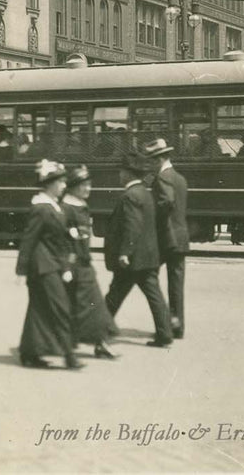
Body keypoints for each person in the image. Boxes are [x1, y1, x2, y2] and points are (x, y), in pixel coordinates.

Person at [16, 160, 81, 369]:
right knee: (60, 307)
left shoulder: (54, 205)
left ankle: (29, 353)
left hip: (52, 264)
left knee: (39, 308)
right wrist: (21, 270)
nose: (64, 185)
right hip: (43, 266)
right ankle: (69, 355)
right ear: (50, 184)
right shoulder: (42, 208)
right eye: (61, 182)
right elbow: (29, 239)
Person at [104, 152, 172, 347]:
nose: (119, 174)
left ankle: (96, 330)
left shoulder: (130, 195)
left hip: (133, 258)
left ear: (128, 173)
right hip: (148, 255)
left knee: (114, 295)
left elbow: (132, 226)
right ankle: (165, 333)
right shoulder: (145, 193)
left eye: (121, 171)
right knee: (154, 295)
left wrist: (125, 252)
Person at [61, 166, 118, 360]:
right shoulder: (67, 208)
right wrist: (67, 267)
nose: (88, 188)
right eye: (83, 185)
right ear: (73, 187)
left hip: (84, 265)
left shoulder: (80, 204)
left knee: (95, 307)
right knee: (74, 307)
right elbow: (66, 241)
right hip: (73, 265)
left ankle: (100, 343)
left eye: (89, 184)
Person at [144, 136, 189, 339]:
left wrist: (152, 220)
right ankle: (177, 325)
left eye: (151, 161)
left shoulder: (163, 178)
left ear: (158, 160)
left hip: (165, 238)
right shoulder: (179, 177)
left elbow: (166, 202)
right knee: (176, 284)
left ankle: (165, 326)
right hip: (181, 237)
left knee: (148, 277)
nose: (150, 165)